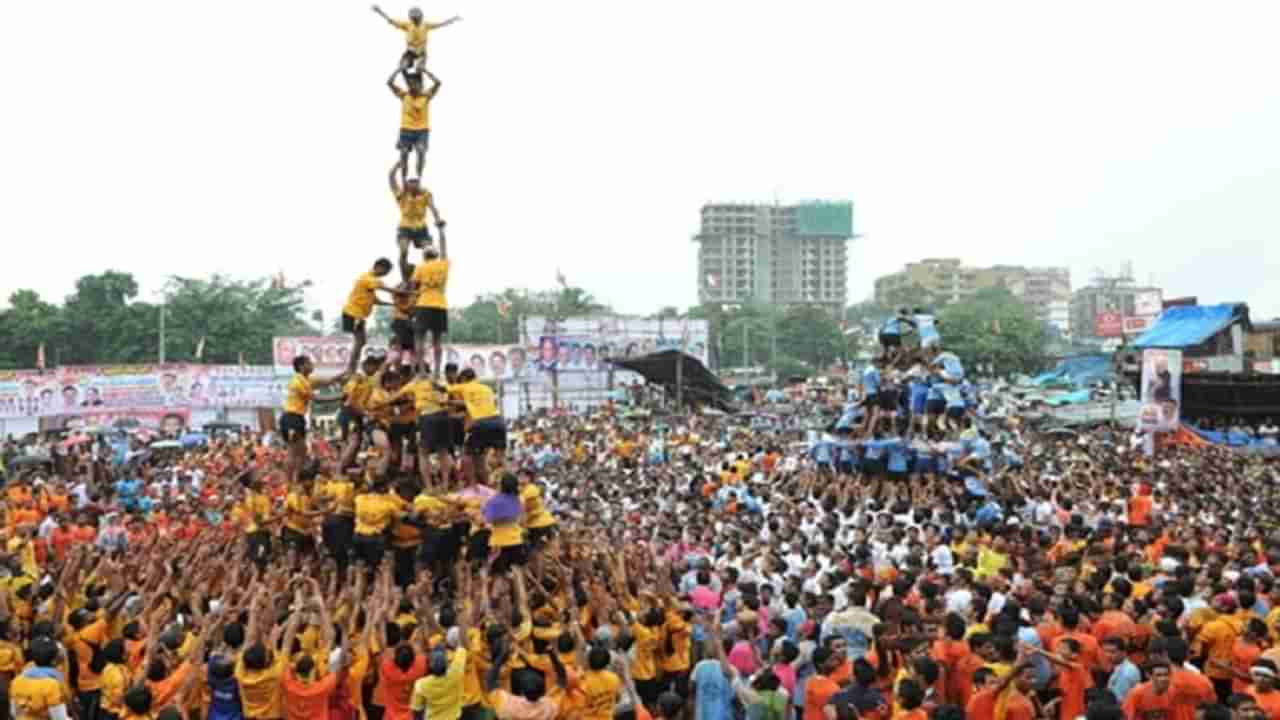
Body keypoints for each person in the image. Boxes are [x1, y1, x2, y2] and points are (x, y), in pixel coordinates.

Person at [280, 355, 348, 483]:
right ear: (301, 366)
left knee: (301, 452)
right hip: (291, 418)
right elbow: (317, 399)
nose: (312, 365)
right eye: (309, 363)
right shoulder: (298, 381)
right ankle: (288, 482)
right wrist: (340, 397)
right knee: (293, 451)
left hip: (297, 418)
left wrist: (344, 373)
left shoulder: (307, 379)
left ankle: (295, 480)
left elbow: (328, 381)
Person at [342, 258, 402, 365]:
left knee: (361, 341)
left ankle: (352, 366)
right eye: (385, 272)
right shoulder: (368, 278)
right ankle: (351, 368)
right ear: (379, 267)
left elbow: (376, 300)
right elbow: (386, 288)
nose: (385, 275)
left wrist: (393, 304)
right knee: (360, 341)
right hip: (353, 313)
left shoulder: (369, 282)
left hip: (356, 314)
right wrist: (405, 292)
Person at [371, 5, 462, 74]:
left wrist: (452, 19)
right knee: (403, 66)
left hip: (421, 52)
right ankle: (405, 65)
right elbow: (392, 21)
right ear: (412, 19)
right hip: (410, 52)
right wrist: (380, 12)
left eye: (417, 19)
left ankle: (419, 69)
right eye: (414, 20)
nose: (416, 21)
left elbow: (440, 24)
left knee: (419, 69)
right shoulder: (407, 25)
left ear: (420, 17)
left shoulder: (426, 25)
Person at [387, 68, 441, 184]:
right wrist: (399, 69)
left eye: (415, 83)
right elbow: (389, 82)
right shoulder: (404, 95)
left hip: (422, 130)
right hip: (406, 129)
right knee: (404, 155)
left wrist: (425, 71)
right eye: (410, 84)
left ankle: (419, 177)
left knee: (421, 152)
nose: (413, 86)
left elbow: (438, 83)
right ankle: (403, 179)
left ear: (420, 84)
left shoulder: (426, 96)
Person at [411, 226, 451, 379]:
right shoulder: (443, 265)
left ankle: (421, 371)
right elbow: (444, 245)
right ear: (436, 255)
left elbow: (414, 286)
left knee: (419, 337)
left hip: (423, 304)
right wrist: (441, 231)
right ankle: (436, 371)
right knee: (437, 340)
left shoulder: (420, 267)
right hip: (440, 305)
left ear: (424, 256)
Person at [390, 160, 444, 251]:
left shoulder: (425, 194)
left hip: (421, 227)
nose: (413, 184)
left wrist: (438, 219)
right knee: (404, 249)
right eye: (411, 182)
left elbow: (433, 208)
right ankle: (404, 263)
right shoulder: (402, 194)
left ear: (419, 183)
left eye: (416, 182)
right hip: (405, 226)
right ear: (407, 183)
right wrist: (396, 166)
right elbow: (391, 178)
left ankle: (429, 263)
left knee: (429, 249)